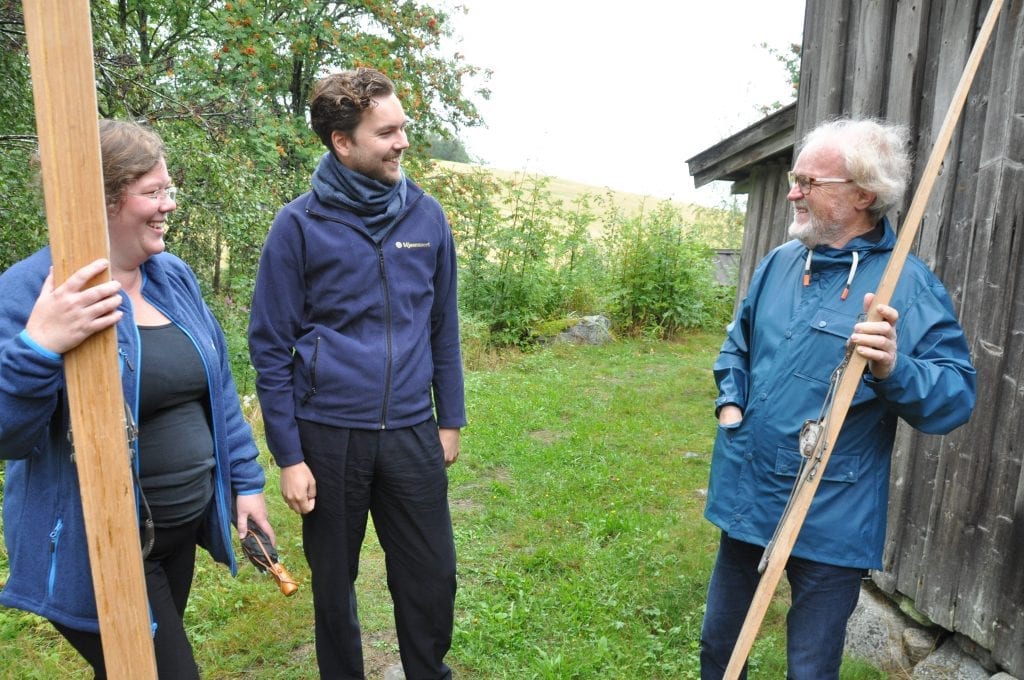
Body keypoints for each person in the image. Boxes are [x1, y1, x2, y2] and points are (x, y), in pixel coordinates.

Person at [699, 118, 976, 680]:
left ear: (863, 195)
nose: (793, 190)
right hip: (749, 493)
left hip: (831, 510)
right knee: (719, 651)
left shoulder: (907, 286)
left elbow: (954, 397)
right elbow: (738, 348)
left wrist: (893, 368)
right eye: (796, 177)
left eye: (808, 181)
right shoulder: (781, 263)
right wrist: (732, 406)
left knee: (810, 669)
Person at [0, 119, 275, 678]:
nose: (168, 205)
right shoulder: (32, 292)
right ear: (98, 200)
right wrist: (40, 345)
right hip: (97, 547)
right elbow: (9, 434)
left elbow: (217, 386)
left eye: (168, 189)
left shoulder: (170, 277)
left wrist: (244, 482)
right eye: (153, 192)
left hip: (173, 539)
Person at [248, 67, 465, 679]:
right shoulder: (298, 226)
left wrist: (449, 418)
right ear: (342, 142)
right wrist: (289, 456)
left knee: (432, 574)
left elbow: (442, 325)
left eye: (403, 129)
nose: (402, 143)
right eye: (386, 132)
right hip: (328, 437)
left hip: (410, 432)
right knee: (334, 588)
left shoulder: (426, 217)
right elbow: (269, 347)